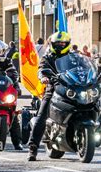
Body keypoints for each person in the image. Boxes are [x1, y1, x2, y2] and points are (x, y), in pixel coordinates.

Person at [27, 31, 72, 161]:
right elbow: (41, 68)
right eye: (57, 44)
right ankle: (33, 148)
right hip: (53, 89)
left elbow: (82, 67)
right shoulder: (48, 57)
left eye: (63, 43)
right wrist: (43, 77)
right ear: (52, 44)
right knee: (42, 115)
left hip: (71, 90)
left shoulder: (73, 57)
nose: (60, 45)